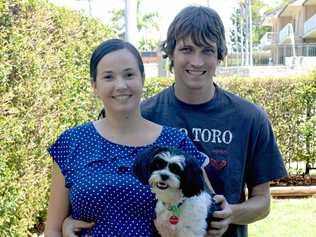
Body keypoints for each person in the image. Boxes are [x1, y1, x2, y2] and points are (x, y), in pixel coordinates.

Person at [62, 5, 287, 237]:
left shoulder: (249, 118)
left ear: (220, 55)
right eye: (187, 49)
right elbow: (101, 183)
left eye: (207, 51)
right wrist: (69, 219)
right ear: (170, 53)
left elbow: (263, 202)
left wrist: (231, 213)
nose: (196, 61)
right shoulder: (143, 116)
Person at [44, 39, 222, 237]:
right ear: (95, 86)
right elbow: (52, 229)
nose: (121, 85)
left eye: (129, 75)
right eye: (108, 77)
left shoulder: (176, 143)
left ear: (142, 78)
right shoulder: (71, 143)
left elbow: (211, 214)